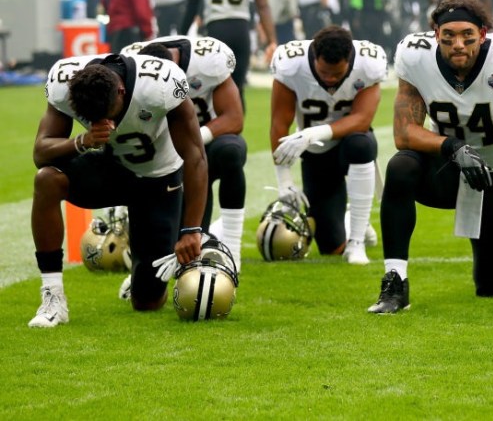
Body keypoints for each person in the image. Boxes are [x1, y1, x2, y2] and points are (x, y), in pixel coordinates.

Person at [367, 0, 493, 314]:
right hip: (448, 168)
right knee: (401, 166)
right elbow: (404, 132)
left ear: (483, 35)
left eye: (468, 36)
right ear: (435, 34)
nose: (458, 44)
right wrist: (452, 147)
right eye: (448, 36)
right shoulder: (415, 56)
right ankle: (395, 281)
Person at [28, 52, 207, 327]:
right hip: (109, 170)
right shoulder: (65, 81)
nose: (103, 124)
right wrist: (83, 140)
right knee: (47, 179)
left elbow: (195, 156)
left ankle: (140, 263)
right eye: (92, 119)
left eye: (107, 116)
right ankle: (53, 295)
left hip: (157, 178)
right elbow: (41, 152)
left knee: (146, 301)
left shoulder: (160, 83)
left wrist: (192, 230)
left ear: (121, 91)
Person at [122, 35, 246, 271]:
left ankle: (231, 244)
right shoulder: (131, 61)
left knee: (231, 150)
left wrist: (195, 139)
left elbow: (234, 118)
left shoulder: (208, 60)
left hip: (209, 142)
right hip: (164, 150)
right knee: (171, 237)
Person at [270, 25, 386, 265]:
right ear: (314, 56)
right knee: (330, 246)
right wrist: (284, 181)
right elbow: (279, 124)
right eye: (324, 73)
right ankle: (351, 222)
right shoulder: (291, 64)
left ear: (350, 60)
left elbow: (362, 120)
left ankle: (357, 243)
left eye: (337, 74)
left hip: (349, 141)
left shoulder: (368, 63)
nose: (331, 79)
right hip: (316, 153)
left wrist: (313, 132)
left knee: (361, 145)